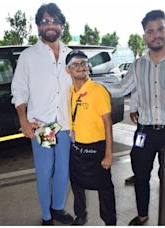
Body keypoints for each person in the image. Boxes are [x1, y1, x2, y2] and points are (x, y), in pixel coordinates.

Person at [11, 3, 73, 225]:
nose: (50, 25)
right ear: (38, 25)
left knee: (63, 171)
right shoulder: (29, 56)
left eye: (55, 21)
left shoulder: (70, 55)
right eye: (45, 21)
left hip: (65, 125)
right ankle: (46, 216)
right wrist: (23, 120)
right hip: (44, 125)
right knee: (45, 171)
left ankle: (57, 208)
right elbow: (18, 90)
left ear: (61, 25)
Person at [107, 9, 165, 226]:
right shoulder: (138, 65)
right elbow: (121, 88)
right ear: (145, 36)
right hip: (145, 131)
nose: (156, 35)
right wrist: (90, 86)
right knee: (140, 173)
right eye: (150, 32)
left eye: (160, 29)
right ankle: (143, 215)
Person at [66, 50, 117, 225]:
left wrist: (109, 154)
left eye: (84, 63)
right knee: (76, 184)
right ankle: (80, 215)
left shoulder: (97, 90)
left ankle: (110, 221)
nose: (81, 67)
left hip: (97, 149)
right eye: (76, 64)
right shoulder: (70, 91)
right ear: (68, 70)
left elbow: (107, 123)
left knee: (105, 189)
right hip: (76, 148)